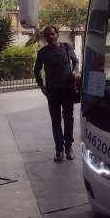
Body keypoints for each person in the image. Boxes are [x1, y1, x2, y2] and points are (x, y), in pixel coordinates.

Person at [34, 26, 79, 162]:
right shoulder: (43, 52)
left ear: (57, 35)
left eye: (53, 34)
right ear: (45, 37)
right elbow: (37, 70)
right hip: (52, 92)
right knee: (55, 121)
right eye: (48, 35)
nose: (51, 37)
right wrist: (41, 86)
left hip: (67, 90)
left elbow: (75, 61)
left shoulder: (66, 47)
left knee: (68, 118)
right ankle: (59, 150)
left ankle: (68, 147)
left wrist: (75, 71)